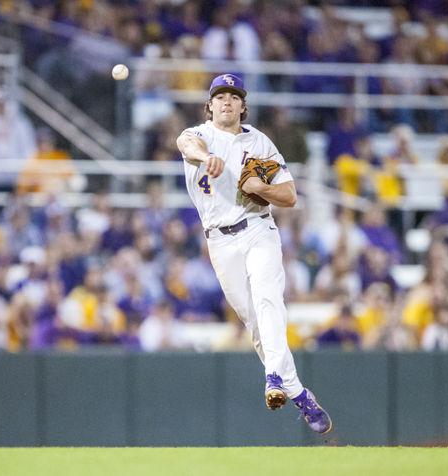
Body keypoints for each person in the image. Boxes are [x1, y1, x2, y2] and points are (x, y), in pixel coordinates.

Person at [176, 74, 332, 435]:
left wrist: (261, 187)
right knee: (257, 326)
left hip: (258, 227)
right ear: (210, 105)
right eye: (220, 96)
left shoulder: (259, 142)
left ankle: (274, 376)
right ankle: (298, 393)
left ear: (243, 105)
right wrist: (207, 157)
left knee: (268, 299)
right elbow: (184, 143)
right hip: (219, 240)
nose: (227, 101)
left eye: (234, 96)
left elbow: (290, 195)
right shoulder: (201, 135)